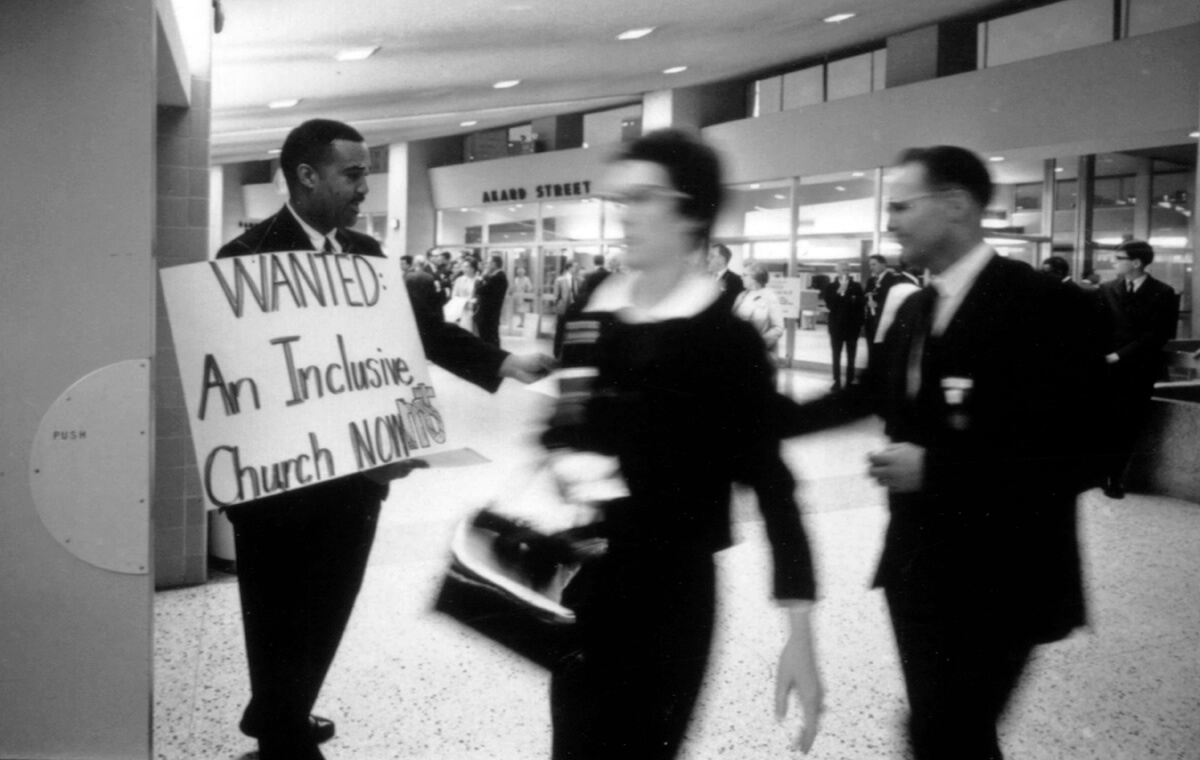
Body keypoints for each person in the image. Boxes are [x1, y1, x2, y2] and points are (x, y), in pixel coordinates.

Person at [215, 118, 554, 760]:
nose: (364, 187)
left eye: (365, 174)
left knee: (330, 606)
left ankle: (285, 713)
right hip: (279, 485)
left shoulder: (367, 255)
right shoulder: (246, 258)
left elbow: (413, 333)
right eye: (354, 174)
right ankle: (282, 734)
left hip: (360, 475)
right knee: (275, 611)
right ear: (307, 175)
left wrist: (500, 363)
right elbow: (233, 380)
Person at [778, 145, 1099, 760]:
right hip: (920, 569)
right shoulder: (919, 307)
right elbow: (866, 394)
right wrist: (758, 419)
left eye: (901, 205)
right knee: (945, 728)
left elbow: (1084, 449)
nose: (890, 221)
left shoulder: (1044, 306)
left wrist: (938, 468)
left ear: (956, 205)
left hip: (1006, 572)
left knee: (946, 731)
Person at [544, 129, 822, 760]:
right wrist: (567, 461)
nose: (626, 213)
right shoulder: (594, 308)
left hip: (671, 593)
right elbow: (565, 422)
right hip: (589, 578)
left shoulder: (725, 341)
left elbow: (775, 488)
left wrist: (799, 630)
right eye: (620, 199)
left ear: (691, 210)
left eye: (644, 197)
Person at [1097, 239, 1179, 498]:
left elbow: (1157, 335)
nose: (1112, 261)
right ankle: (1102, 472)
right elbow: (1098, 326)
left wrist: (1119, 356)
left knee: (1127, 423)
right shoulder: (1107, 288)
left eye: (1117, 257)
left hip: (1137, 369)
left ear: (1136, 263)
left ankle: (1114, 476)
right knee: (1105, 421)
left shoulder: (1163, 293)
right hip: (1106, 368)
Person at [822, 261, 865, 390]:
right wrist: (840, 292)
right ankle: (836, 380)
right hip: (836, 326)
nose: (845, 272)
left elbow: (860, 305)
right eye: (843, 270)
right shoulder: (830, 287)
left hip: (852, 326)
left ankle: (850, 380)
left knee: (851, 354)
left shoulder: (856, 286)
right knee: (836, 354)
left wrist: (860, 323)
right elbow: (830, 305)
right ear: (837, 271)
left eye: (847, 269)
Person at [732, 262, 785, 354]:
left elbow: (778, 328)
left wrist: (757, 345)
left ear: (755, 278)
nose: (741, 277)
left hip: (755, 351)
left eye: (745, 275)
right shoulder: (742, 295)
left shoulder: (769, 297)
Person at [863, 253, 898, 346]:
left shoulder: (893, 279)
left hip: (884, 320)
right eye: (870, 265)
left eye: (874, 264)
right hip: (871, 321)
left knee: (882, 350)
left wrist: (878, 305)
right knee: (871, 348)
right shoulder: (871, 280)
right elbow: (865, 295)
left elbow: (894, 300)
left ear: (883, 264)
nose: (871, 267)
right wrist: (867, 302)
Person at [474, 254, 509, 348]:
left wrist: (481, 277)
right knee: (490, 338)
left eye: (488, 263)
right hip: (489, 314)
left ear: (494, 264)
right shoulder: (495, 277)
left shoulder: (498, 278)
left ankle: (492, 359)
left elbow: (479, 290)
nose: (486, 266)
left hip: (488, 314)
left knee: (488, 339)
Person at [551, 261, 579, 357]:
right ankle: (557, 353)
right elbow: (555, 295)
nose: (576, 268)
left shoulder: (575, 279)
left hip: (573, 308)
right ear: (569, 268)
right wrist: (557, 306)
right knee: (560, 331)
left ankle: (569, 353)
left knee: (571, 331)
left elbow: (576, 293)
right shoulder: (560, 279)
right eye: (574, 267)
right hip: (563, 307)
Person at [707, 242, 744, 312]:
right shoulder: (704, 278)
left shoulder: (736, 281)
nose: (707, 259)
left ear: (721, 259)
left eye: (712, 256)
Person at [450, 256, 480, 332]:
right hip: (461, 309)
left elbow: (480, 296)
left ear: (473, 268)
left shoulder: (478, 280)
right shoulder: (459, 280)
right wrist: (461, 301)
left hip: (474, 309)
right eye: (463, 266)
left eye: (467, 267)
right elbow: (454, 295)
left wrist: (474, 301)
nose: (464, 269)